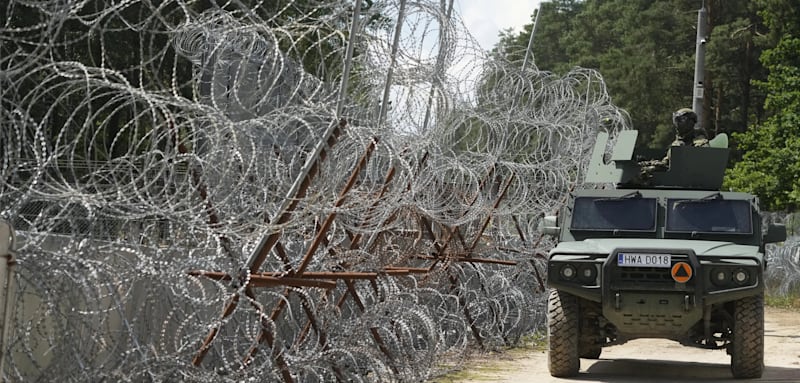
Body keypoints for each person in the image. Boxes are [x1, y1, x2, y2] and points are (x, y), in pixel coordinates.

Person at [634, 108, 709, 184]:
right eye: (676, 120)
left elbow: (698, 167)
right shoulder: (677, 143)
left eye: (681, 120)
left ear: (690, 122)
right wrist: (648, 163)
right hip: (675, 177)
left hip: (689, 181)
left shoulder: (700, 143)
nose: (677, 124)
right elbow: (666, 162)